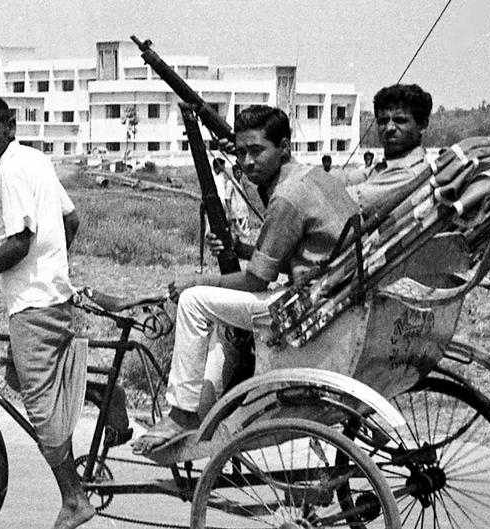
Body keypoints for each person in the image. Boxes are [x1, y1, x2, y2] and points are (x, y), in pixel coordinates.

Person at [130, 105, 359, 454]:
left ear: (283, 147)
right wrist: (242, 247)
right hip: (330, 293)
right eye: (241, 152)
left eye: (256, 151)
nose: (248, 162)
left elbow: (256, 282)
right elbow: (300, 255)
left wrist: (195, 281)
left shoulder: (286, 198)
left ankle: (182, 413)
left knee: (193, 302)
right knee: (222, 317)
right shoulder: (314, 178)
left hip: (307, 306)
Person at [0, 94, 96, 529]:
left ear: (10, 127)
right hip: (52, 295)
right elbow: (71, 221)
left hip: (33, 306)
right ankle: (111, 398)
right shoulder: (33, 160)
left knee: (40, 408)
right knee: (26, 377)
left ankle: (73, 500)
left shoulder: (10, 172)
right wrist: (51, 266)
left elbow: (17, 243)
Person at [346, 84, 432, 216]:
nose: (389, 127)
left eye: (400, 120)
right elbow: (348, 178)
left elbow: (349, 199)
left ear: (422, 125)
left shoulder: (410, 175)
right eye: (383, 121)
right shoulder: (389, 166)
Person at [211, 157, 251, 238]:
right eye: (223, 166)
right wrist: (231, 212)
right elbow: (227, 198)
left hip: (238, 210)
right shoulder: (215, 178)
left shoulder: (222, 177)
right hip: (222, 206)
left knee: (243, 233)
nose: (224, 168)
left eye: (240, 172)